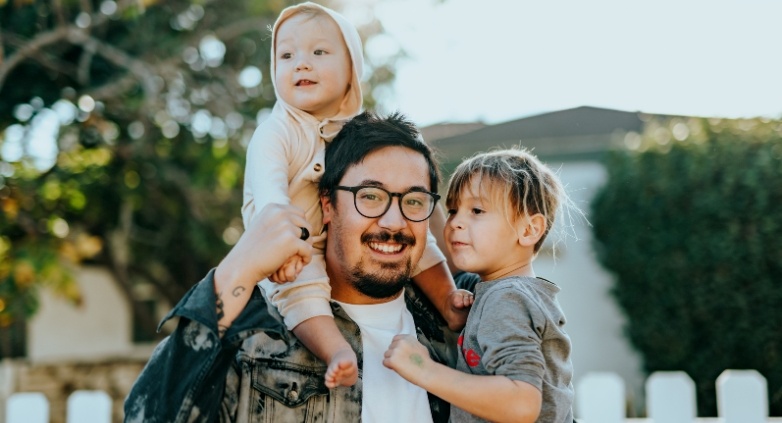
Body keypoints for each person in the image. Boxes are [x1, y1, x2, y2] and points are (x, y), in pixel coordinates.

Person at [124, 111, 475, 423]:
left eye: (413, 201)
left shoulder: (467, 324)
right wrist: (239, 266)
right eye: (370, 196)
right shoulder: (255, 337)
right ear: (327, 205)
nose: (394, 221)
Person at [241, 2, 469, 389]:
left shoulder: (356, 134)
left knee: (418, 238)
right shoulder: (276, 132)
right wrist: (283, 249)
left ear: (352, 71)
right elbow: (270, 200)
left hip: (330, 238)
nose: (302, 64)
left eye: (318, 52)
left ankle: (448, 300)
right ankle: (336, 350)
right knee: (302, 292)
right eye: (287, 55)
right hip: (289, 247)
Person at [383, 148, 576, 422]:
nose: (456, 223)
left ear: (529, 229)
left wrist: (422, 369)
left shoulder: (507, 299)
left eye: (477, 210)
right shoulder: (501, 292)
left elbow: (522, 402)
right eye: (452, 210)